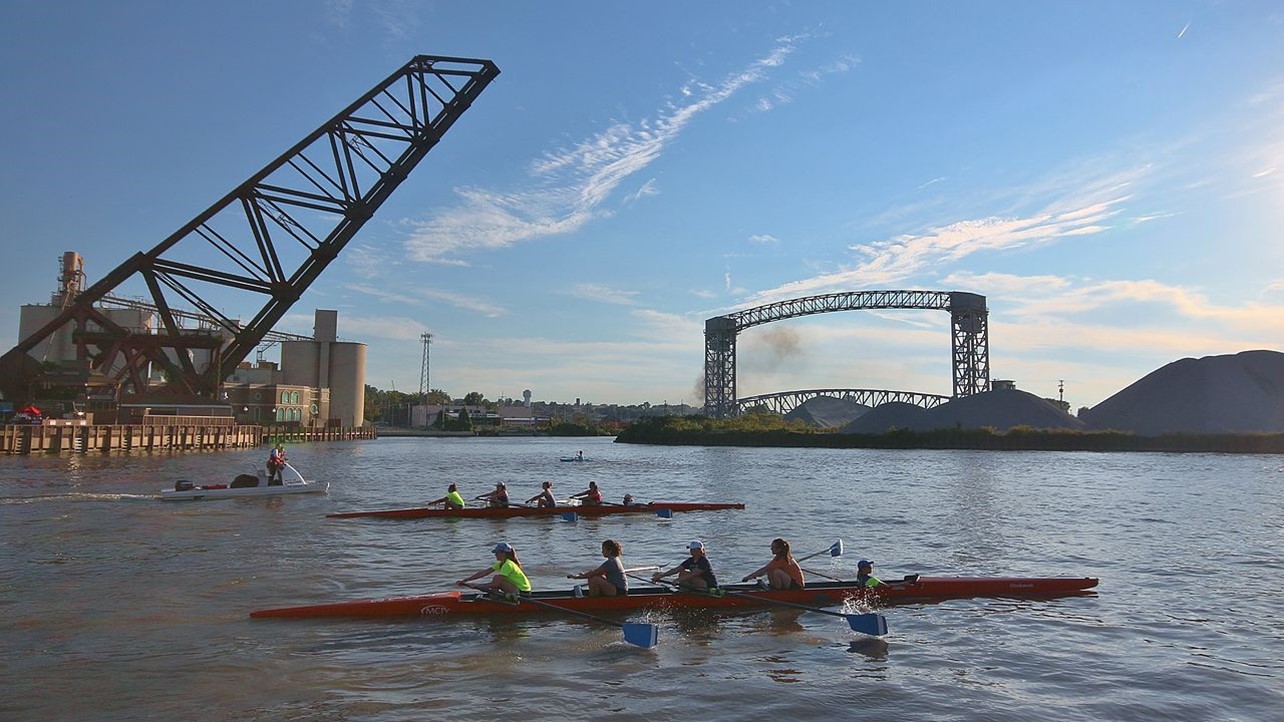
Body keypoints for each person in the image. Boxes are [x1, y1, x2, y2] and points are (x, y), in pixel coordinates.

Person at [456, 542, 531, 598]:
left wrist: (477, 586)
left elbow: (496, 584)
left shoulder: (508, 564)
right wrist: (465, 580)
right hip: (516, 590)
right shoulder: (500, 563)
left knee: (497, 578)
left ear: (503, 553)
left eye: (496, 552)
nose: (495, 555)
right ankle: (495, 597)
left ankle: (496, 599)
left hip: (523, 593)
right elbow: (484, 572)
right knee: (496, 580)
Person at [741, 538, 806, 590]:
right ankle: (774, 587)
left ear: (779, 549)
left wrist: (748, 577)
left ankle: (777, 590)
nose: (771, 549)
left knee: (776, 572)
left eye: (773, 547)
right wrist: (754, 576)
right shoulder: (778, 557)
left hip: (797, 586)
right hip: (790, 582)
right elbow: (767, 568)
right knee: (770, 570)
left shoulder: (783, 559)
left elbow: (764, 569)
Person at [653, 540, 718, 591]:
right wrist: (661, 576)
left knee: (685, 576)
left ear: (699, 550)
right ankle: (684, 591)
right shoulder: (690, 560)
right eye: (690, 549)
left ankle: (690, 593)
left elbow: (694, 574)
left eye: (693, 549)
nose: (690, 551)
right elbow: (676, 570)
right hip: (698, 583)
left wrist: (678, 580)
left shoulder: (703, 561)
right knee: (682, 573)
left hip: (709, 586)